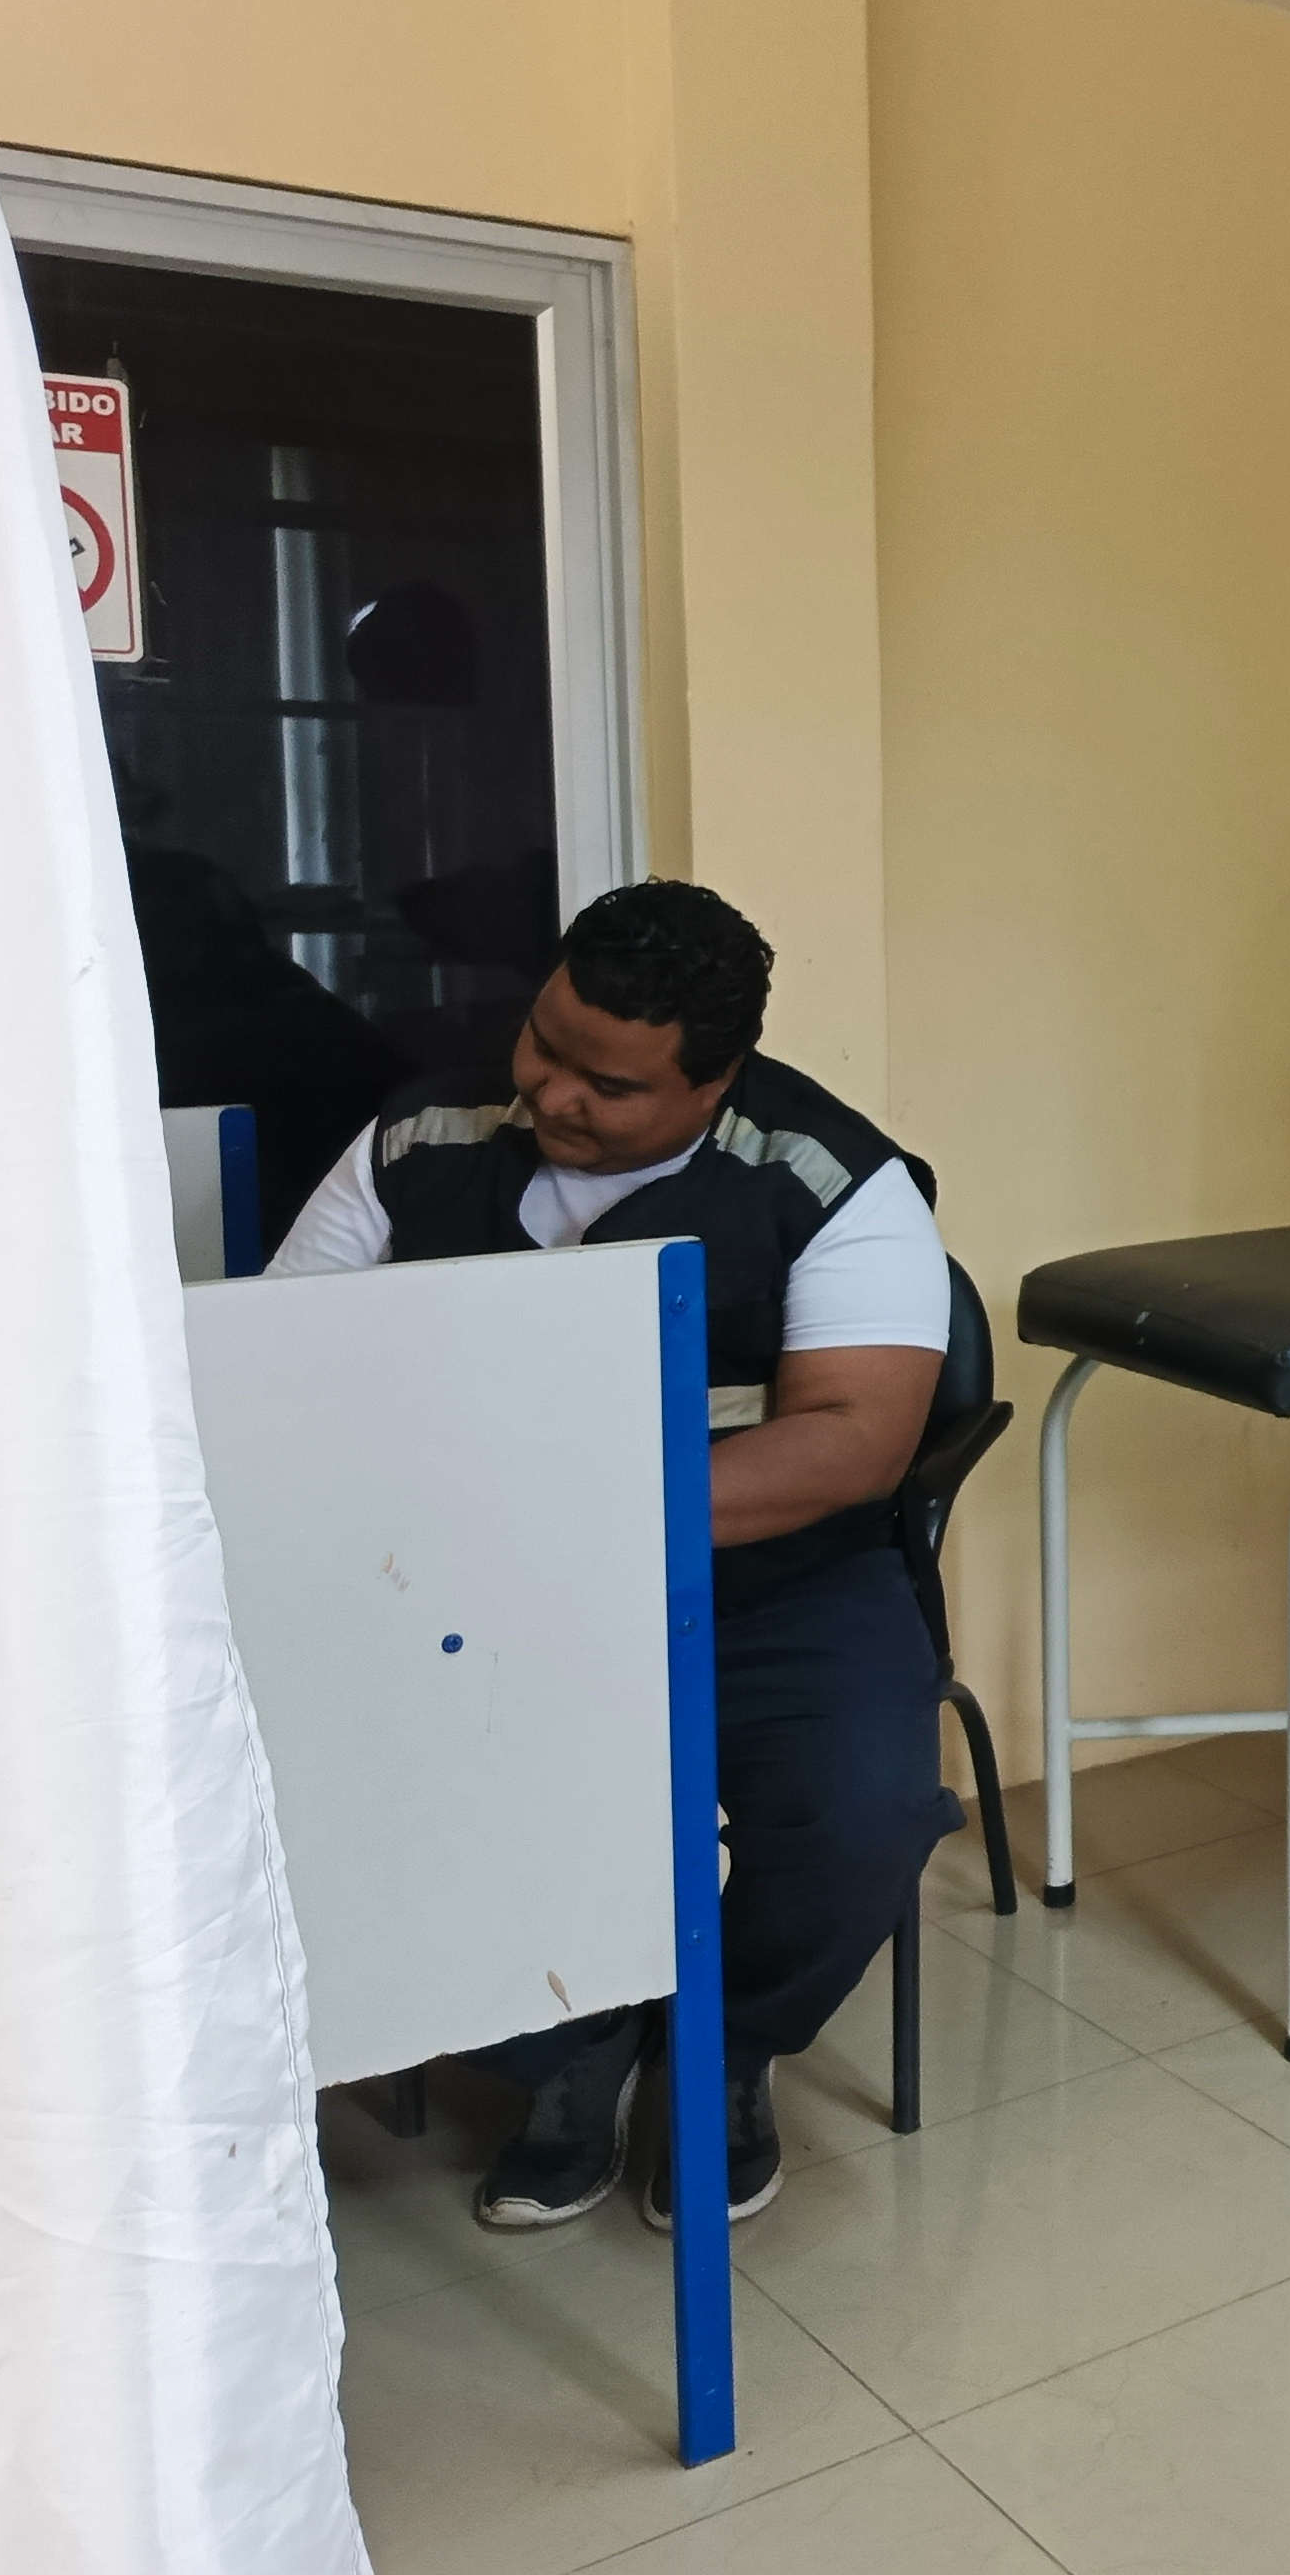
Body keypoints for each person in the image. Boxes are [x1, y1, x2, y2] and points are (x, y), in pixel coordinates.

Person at [265, 879, 958, 2230]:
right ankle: (567, 2051)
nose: (552, 1094)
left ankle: (727, 2048)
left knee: (864, 1815)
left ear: (717, 1079)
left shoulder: (831, 1179)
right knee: (370, 1788)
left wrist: (561, 1514)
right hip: (479, 1591)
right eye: (545, 1044)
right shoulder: (421, 1137)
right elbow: (287, 1362)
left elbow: (851, 1444)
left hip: (769, 1586)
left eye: (612, 1085)